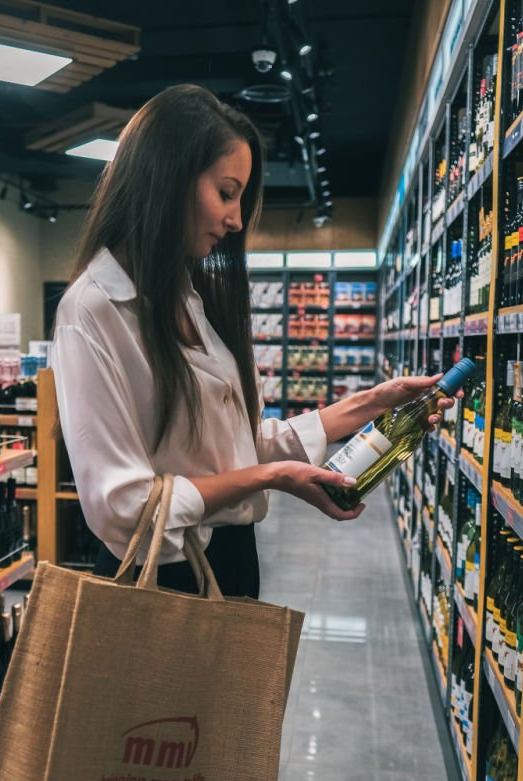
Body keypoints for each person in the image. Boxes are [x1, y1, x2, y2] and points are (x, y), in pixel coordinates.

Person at [52, 84, 455, 599]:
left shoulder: (190, 297)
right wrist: (269, 477)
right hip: (162, 580)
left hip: (230, 561)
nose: (236, 219)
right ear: (167, 178)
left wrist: (373, 402)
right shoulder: (91, 312)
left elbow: (233, 444)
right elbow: (123, 506)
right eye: (226, 192)